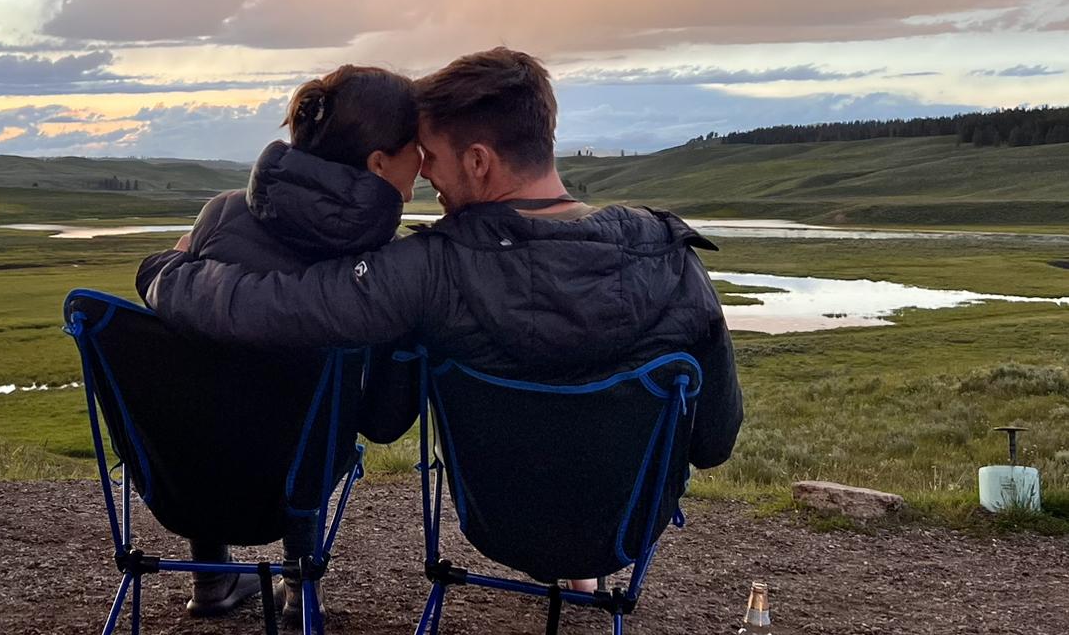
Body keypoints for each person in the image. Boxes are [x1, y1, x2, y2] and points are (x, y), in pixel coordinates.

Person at [139, 48, 743, 582]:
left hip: (497, 524)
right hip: (624, 531)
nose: (423, 174)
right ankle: (581, 579)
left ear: (478, 162)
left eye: (430, 157)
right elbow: (714, 443)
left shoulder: (429, 269)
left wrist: (168, 273)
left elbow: (283, 309)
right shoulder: (671, 257)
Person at [172, 63, 421, 621]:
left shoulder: (219, 215)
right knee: (312, 426)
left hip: (188, 474)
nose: (424, 166)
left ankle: (210, 581)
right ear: (380, 164)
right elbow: (382, 422)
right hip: (294, 486)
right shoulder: (383, 265)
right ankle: (300, 584)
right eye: (417, 150)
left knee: (215, 386)